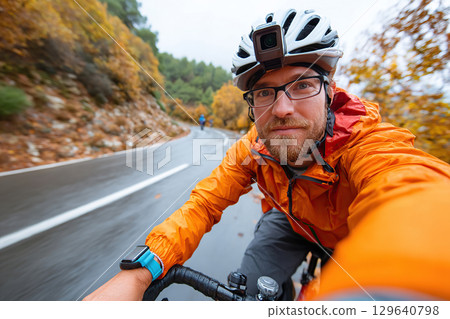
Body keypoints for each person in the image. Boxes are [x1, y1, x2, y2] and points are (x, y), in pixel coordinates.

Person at [85, 8, 450, 301]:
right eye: (264, 93)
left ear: (330, 91)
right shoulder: (253, 148)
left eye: (303, 85)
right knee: (249, 287)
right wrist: (142, 269)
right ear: (252, 104)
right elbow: (203, 204)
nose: (282, 108)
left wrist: (401, 284)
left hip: (354, 235)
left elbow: (415, 193)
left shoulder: (366, 142)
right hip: (290, 224)